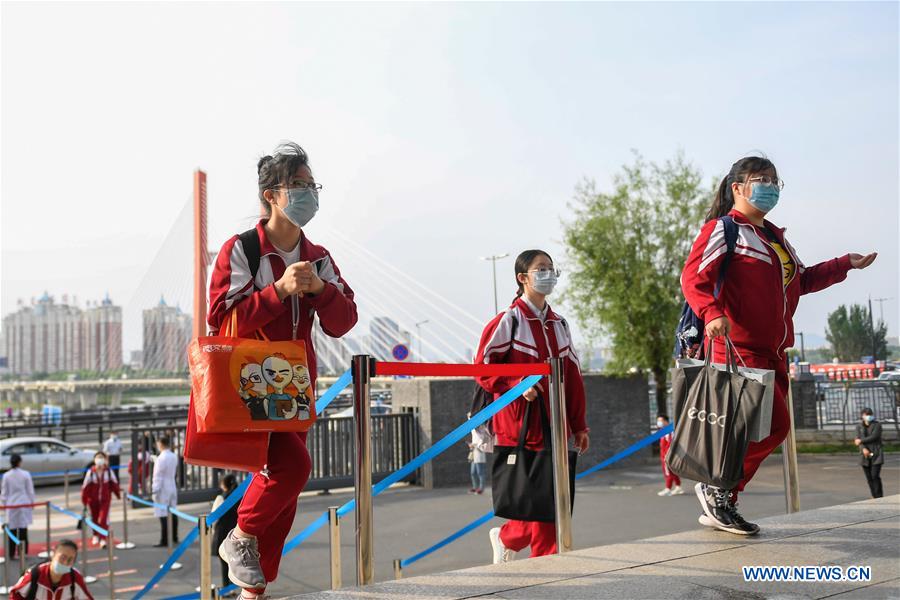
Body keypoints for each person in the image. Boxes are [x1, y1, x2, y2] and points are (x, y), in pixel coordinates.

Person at [681, 155, 877, 535]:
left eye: (774, 180)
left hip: (773, 351)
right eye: (760, 180)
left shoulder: (773, 236)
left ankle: (722, 495)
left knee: (773, 428)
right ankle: (717, 489)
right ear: (737, 187)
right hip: (735, 347)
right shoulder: (725, 230)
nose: (770, 187)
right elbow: (693, 278)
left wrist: (844, 263)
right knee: (758, 427)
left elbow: (801, 281)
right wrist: (711, 313)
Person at [209, 142, 357, 597]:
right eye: (298, 185)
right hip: (249, 383)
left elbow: (344, 321)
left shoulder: (319, 257)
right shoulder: (242, 251)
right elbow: (222, 319)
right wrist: (277, 291)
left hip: (296, 385)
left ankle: (254, 589)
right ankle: (239, 536)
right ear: (272, 194)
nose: (308, 193)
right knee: (292, 470)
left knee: (284, 493)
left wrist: (318, 292)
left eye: (312, 185)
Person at [475, 249, 589, 563]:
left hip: (556, 426)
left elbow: (573, 378)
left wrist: (578, 425)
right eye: (541, 268)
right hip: (521, 427)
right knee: (546, 504)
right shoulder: (507, 322)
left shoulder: (559, 324)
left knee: (549, 502)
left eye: (551, 268)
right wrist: (516, 385)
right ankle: (549, 567)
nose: (548, 274)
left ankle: (509, 537)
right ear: (522, 278)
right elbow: (484, 369)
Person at [9, 539, 93, 599]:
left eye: (70, 559)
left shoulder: (75, 578)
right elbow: (15, 594)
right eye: (62, 557)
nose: (66, 562)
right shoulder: (34, 575)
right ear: (53, 555)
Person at [80, 451, 120, 549]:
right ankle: (95, 535)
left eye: (102, 458)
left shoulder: (109, 471)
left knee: (103, 519)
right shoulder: (91, 472)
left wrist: (118, 494)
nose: (100, 460)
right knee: (94, 518)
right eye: (98, 458)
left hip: (105, 500)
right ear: (94, 460)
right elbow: (85, 487)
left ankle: (103, 538)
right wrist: (84, 501)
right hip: (93, 500)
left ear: (105, 460)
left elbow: (114, 484)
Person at [1, 453, 35, 559]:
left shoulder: (7, 475)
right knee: (23, 529)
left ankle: (11, 553)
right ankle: (23, 553)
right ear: (19, 462)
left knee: (12, 530)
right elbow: (30, 490)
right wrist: (31, 503)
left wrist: (4, 504)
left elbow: (4, 492)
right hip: (23, 503)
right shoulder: (25, 474)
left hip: (11, 504)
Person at [211, 475, 241, 597]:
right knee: (233, 563)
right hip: (235, 532)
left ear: (224, 485)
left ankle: (226, 589)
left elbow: (214, 516)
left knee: (224, 564)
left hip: (222, 532)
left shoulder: (221, 498)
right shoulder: (239, 497)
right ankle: (233, 588)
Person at [152, 435, 179, 547]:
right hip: (172, 485)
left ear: (161, 444)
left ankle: (164, 539)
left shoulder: (161, 458)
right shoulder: (174, 456)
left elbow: (158, 476)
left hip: (163, 487)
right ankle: (174, 536)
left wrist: (155, 490)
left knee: (163, 513)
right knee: (172, 511)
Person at [855, 407, 883, 499]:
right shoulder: (859, 426)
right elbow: (857, 438)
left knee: (875, 475)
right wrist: (863, 449)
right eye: (866, 415)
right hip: (864, 455)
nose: (868, 416)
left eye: (870, 414)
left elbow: (874, 436)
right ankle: (874, 496)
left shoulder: (877, 425)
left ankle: (879, 496)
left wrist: (860, 441)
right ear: (862, 416)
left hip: (876, 453)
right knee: (869, 478)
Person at [656, 414, 683, 497]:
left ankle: (668, 488)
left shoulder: (670, 432)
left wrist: (667, 456)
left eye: (660, 420)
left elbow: (670, 444)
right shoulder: (663, 431)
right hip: (663, 455)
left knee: (668, 473)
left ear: (665, 421)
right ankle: (678, 487)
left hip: (667, 456)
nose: (658, 422)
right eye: (658, 421)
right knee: (672, 471)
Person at [467, 417, 493, 495]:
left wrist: (476, 445)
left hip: (479, 452)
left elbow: (485, 438)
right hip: (474, 453)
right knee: (473, 472)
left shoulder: (481, 428)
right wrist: (471, 445)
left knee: (480, 472)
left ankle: (481, 488)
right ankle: (475, 487)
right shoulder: (473, 430)